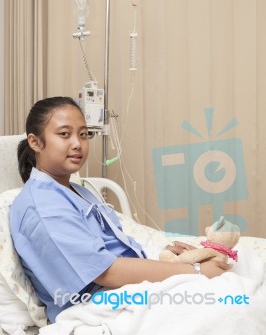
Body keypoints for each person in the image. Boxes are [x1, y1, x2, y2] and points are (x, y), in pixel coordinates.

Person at [10, 96, 232, 323]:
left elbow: (114, 248)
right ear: (35, 142)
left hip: (123, 291)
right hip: (98, 306)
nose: (77, 143)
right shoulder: (43, 206)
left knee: (241, 276)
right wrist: (195, 272)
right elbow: (105, 272)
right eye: (64, 134)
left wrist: (164, 256)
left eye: (84, 134)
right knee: (232, 304)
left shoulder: (75, 191)